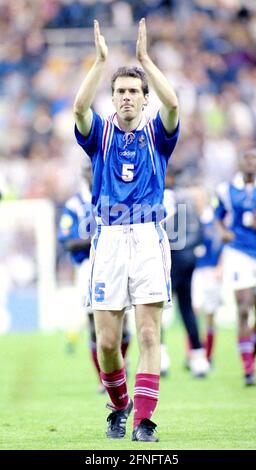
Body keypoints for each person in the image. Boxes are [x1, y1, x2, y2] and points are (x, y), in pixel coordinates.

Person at [73, 18, 180, 441]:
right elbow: (80, 109)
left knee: (150, 332)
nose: (127, 97)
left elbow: (173, 105)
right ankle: (119, 406)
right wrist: (101, 62)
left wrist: (145, 61)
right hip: (110, 239)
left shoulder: (157, 133)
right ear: (113, 98)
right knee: (107, 343)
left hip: (149, 237)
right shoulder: (99, 134)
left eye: (134, 91)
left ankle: (144, 422)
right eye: (120, 91)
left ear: (143, 98)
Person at [58, 162, 132, 393]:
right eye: (89, 170)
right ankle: (103, 378)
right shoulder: (74, 205)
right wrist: (97, 237)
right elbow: (68, 241)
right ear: (83, 174)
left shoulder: (115, 196)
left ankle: (120, 363)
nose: (93, 173)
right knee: (95, 325)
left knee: (124, 322)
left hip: (116, 263)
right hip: (87, 267)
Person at [215, 148, 256, 386]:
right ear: (240, 162)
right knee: (244, 308)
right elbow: (217, 215)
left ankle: (250, 358)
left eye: (254, 158)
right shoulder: (227, 189)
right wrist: (223, 231)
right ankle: (248, 369)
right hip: (238, 252)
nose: (250, 162)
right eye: (246, 157)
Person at [163, 168, 210, 378]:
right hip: (187, 259)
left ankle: (161, 357)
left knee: (159, 309)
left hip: (171, 260)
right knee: (186, 309)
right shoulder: (187, 198)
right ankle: (199, 356)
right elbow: (198, 230)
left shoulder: (163, 196)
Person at [191, 185, 223, 366]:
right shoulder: (189, 219)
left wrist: (221, 266)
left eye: (198, 197)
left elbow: (224, 243)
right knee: (193, 310)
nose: (196, 201)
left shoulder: (213, 219)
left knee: (210, 314)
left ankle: (208, 355)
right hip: (194, 271)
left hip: (211, 269)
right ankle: (194, 353)